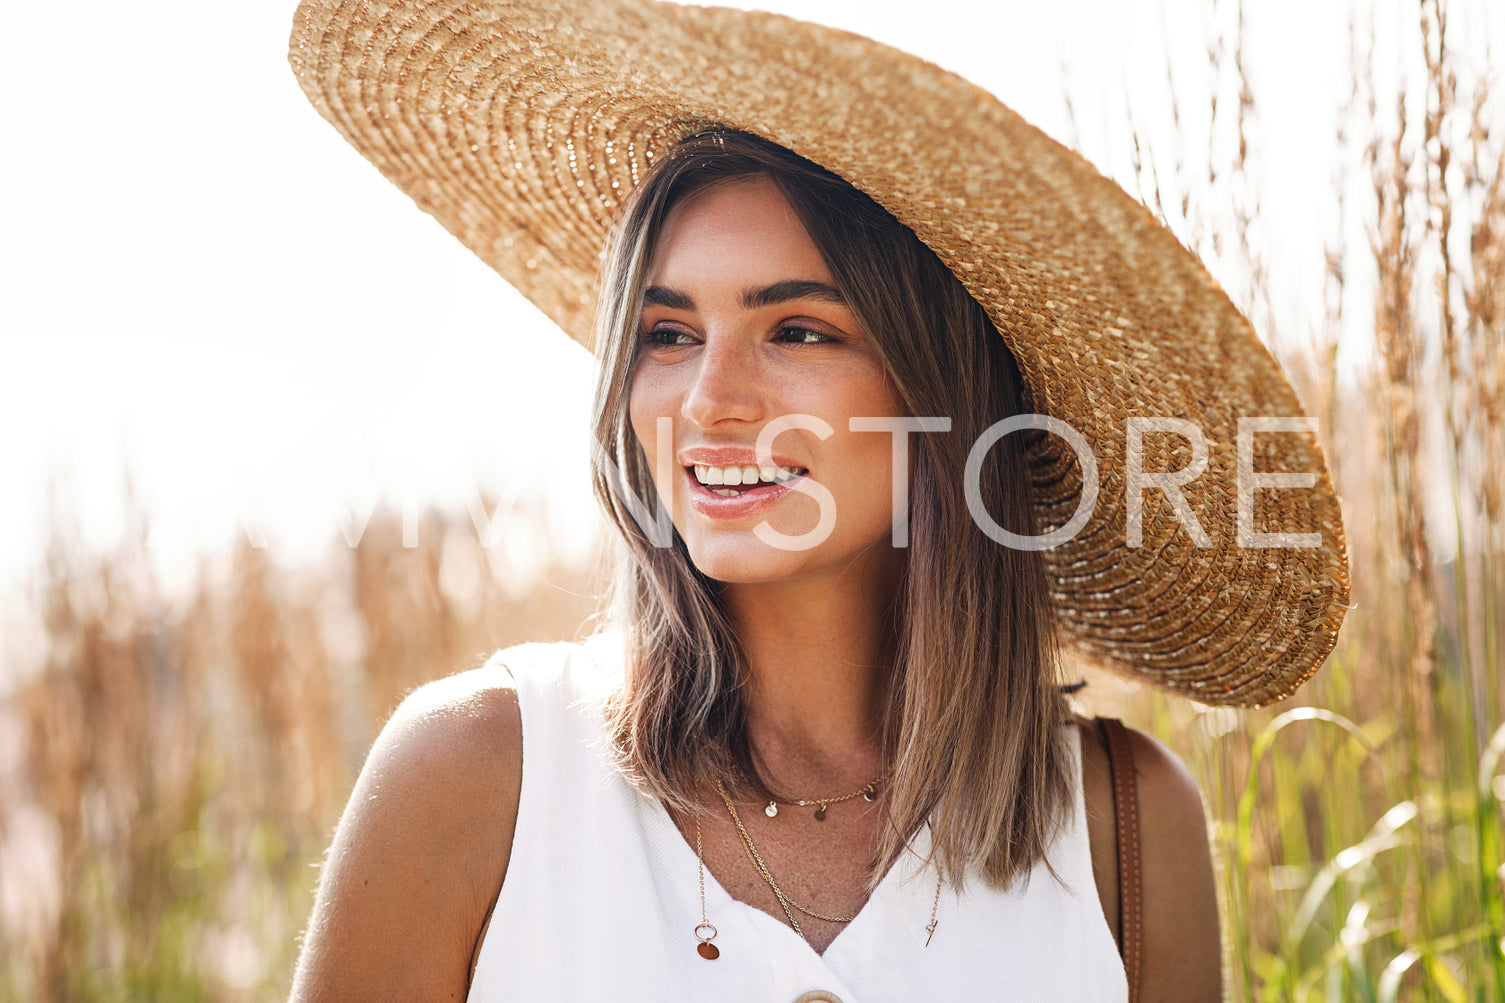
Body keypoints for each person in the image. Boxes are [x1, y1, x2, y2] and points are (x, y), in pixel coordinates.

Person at [285, 2, 1350, 1000]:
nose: (708, 401)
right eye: (667, 333)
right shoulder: (476, 778)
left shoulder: (1125, 827)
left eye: (796, 331)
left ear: (939, 395)